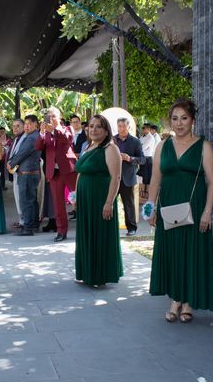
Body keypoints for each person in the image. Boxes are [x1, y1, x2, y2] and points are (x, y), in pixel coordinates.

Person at [147, 100, 213, 323]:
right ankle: (175, 300)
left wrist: (207, 211)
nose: (179, 123)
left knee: (191, 253)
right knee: (173, 253)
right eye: (175, 118)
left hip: (194, 207)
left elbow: (212, 182)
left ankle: (187, 302)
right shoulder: (163, 146)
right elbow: (155, 178)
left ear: (193, 120)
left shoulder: (204, 146)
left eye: (184, 118)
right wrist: (151, 207)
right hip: (168, 206)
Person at [74, 115, 123, 287]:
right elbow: (81, 172)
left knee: (99, 233)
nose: (93, 130)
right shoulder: (88, 146)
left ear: (106, 130)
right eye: (91, 126)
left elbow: (116, 177)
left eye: (98, 127)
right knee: (86, 234)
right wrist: (75, 195)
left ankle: (99, 275)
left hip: (100, 197)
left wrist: (109, 202)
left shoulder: (110, 149)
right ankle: (86, 272)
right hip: (85, 197)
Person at [36, 107, 77, 242]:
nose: (51, 119)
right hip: (54, 172)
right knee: (58, 204)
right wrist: (42, 133)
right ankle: (61, 231)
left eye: (54, 116)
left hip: (69, 170)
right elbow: (38, 147)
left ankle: (85, 228)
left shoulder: (68, 129)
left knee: (78, 200)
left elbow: (67, 139)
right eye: (49, 117)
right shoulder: (46, 133)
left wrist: (54, 129)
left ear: (60, 118)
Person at [8, 115, 41, 236]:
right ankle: (33, 224)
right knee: (31, 200)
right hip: (30, 172)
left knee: (26, 200)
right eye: (25, 124)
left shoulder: (32, 138)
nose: (26, 126)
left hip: (27, 173)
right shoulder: (33, 136)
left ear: (35, 124)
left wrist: (11, 164)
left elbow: (21, 153)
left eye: (29, 124)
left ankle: (28, 227)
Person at [114, 118, 145, 237]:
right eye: (119, 126)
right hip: (114, 177)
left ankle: (131, 228)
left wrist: (130, 158)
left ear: (128, 127)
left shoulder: (135, 141)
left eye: (123, 126)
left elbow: (142, 159)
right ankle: (109, 227)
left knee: (129, 204)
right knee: (109, 202)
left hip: (127, 177)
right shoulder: (112, 140)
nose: (121, 128)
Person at [7, 118, 25, 229]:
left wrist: (13, 165)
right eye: (13, 126)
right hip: (15, 172)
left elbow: (21, 156)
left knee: (22, 197)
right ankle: (21, 219)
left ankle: (24, 221)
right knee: (17, 196)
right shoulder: (15, 139)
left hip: (21, 171)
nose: (15, 128)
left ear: (24, 126)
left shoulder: (25, 138)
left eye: (18, 126)